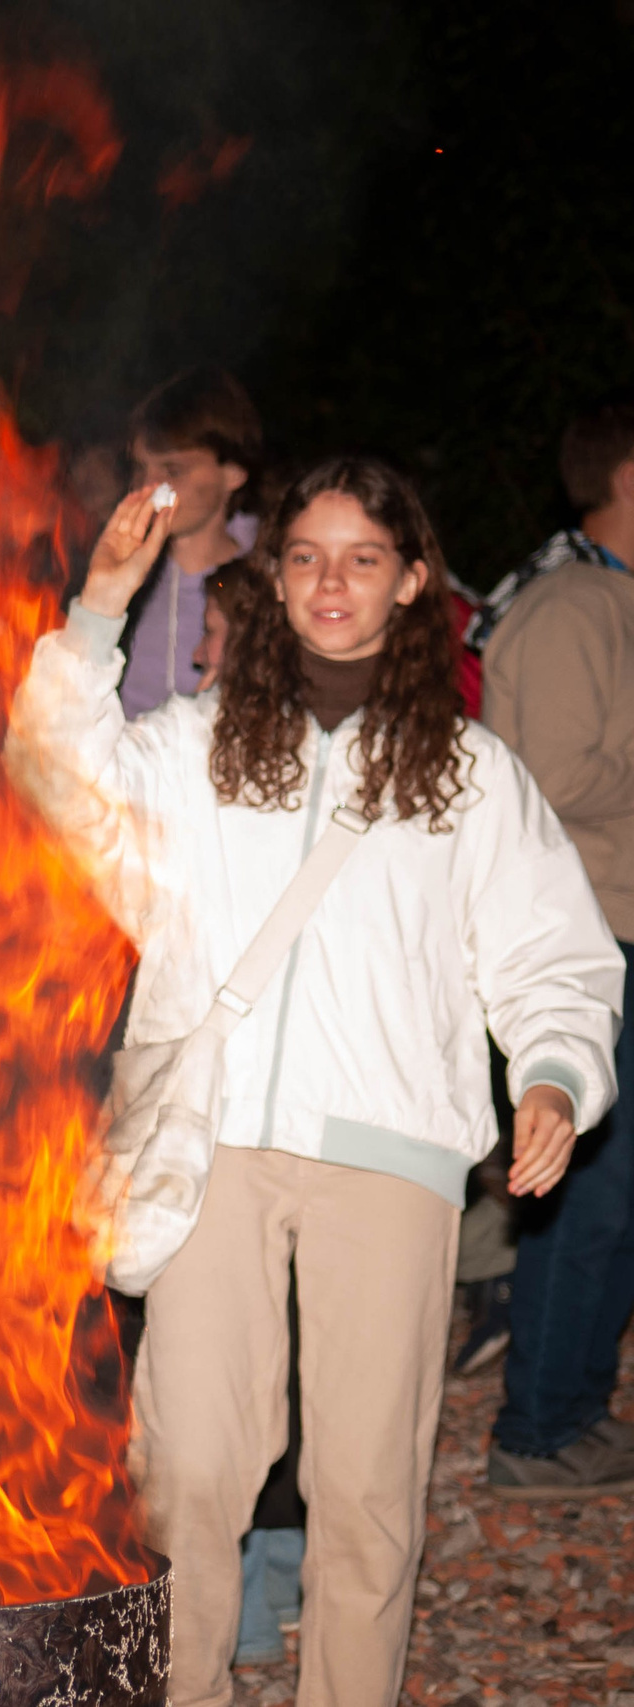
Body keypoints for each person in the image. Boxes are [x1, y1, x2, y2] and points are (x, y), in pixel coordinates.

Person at [7, 455, 622, 1707]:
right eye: (302, 556)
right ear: (271, 581)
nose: (328, 580)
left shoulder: (469, 778)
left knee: (367, 1495)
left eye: (360, 558)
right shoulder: (189, 749)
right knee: (187, 1472)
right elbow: (57, 773)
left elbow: (550, 954)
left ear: (409, 584)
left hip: (387, 1158)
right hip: (212, 1148)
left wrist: (554, 1077)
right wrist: (95, 612)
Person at [478, 389, 634, 1496]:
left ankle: (573, 1407)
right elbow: (538, 777)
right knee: (587, 1192)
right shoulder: (571, 605)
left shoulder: (611, 598)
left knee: (617, 1196)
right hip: (587, 931)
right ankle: (535, 1429)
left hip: (619, 919)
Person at [110, 369, 262, 716]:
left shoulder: (266, 583)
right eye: (140, 468)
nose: (149, 487)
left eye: (172, 470)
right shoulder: (119, 575)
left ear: (234, 473)